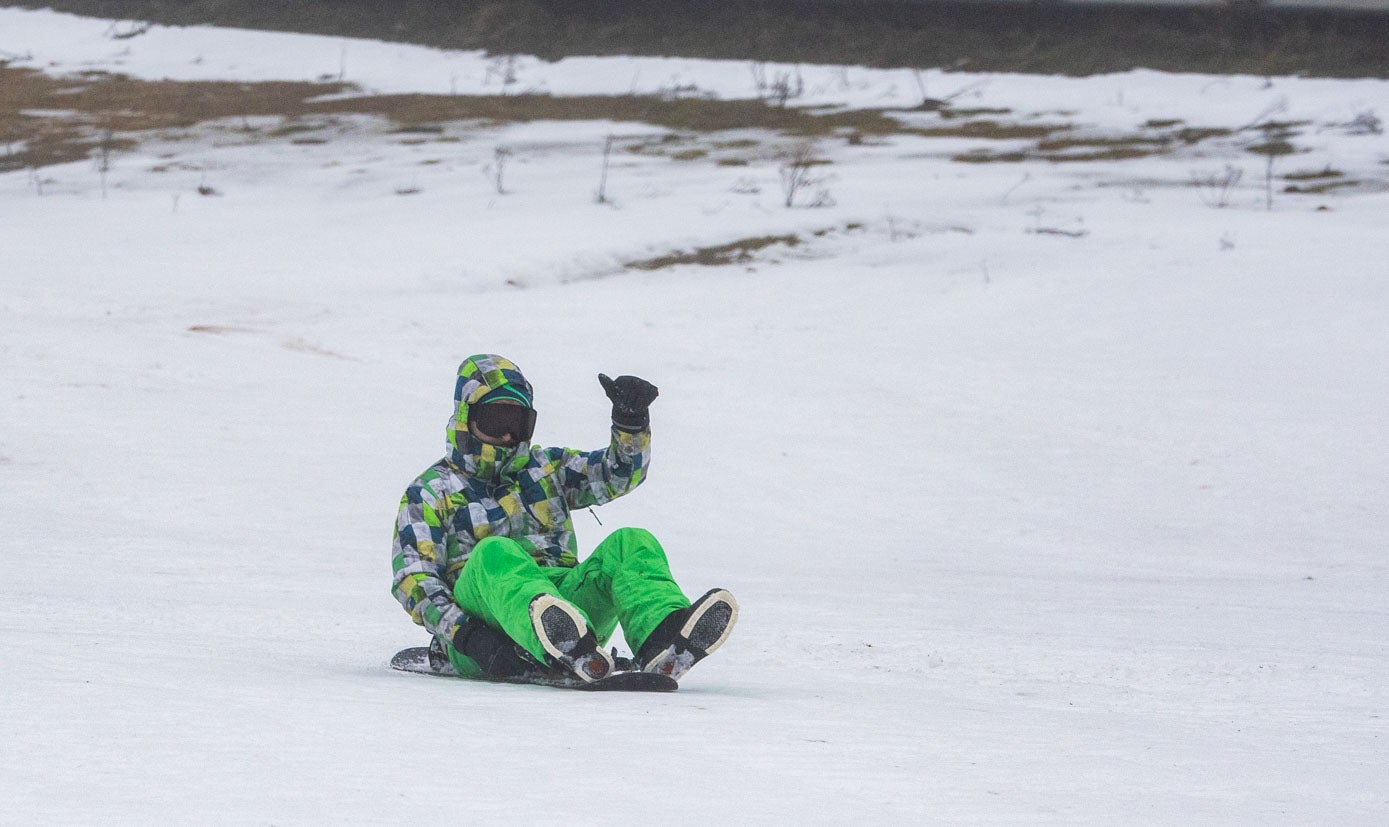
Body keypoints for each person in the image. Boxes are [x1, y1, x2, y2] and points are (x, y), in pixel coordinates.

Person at [390, 354, 737, 684]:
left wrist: (630, 425)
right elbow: (414, 581)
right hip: (485, 631)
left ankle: (661, 636)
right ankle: (553, 634)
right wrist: (469, 637)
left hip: (571, 619)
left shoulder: (545, 468)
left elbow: (616, 475)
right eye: (497, 421)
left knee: (632, 541)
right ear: (467, 418)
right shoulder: (431, 491)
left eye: (518, 423)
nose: (509, 436)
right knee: (495, 552)